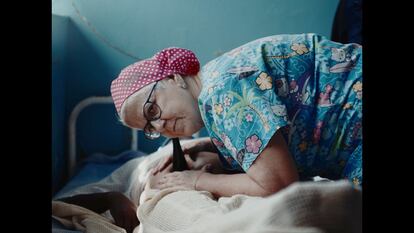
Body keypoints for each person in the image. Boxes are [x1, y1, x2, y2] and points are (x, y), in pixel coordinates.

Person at [112, 33, 362, 198]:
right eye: (150, 127)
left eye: (152, 109)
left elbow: (279, 185)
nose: (159, 123)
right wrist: (204, 146)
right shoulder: (219, 81)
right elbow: (271, 141)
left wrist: (197, 181)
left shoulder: (222, 92)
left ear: (173, 78)